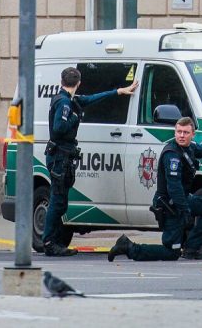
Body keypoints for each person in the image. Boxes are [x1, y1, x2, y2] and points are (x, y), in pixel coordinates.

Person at [107, 116, 202, 262]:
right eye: (179, 132)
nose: (181, 136)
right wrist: (185, 212)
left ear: (192, 134)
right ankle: (129, 247)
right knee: (171, 252)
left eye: (185, 132)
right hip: (170, 205)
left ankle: (191, 248)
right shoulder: (172, 155)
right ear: (175, 132)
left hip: (182, 200)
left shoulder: (189, 148)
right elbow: (174, 187)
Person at [43, 67, 139, 257]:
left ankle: (53, 241)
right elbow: (59, 126)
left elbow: (91, 98)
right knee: (57, 201)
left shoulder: (69, 99)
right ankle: (49, 242)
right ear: (78, 83)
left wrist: (118, 91)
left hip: (62, 156)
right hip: (59, 157)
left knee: (60, 202)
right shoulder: (64, 103)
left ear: (61, 81)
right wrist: (75, 117)